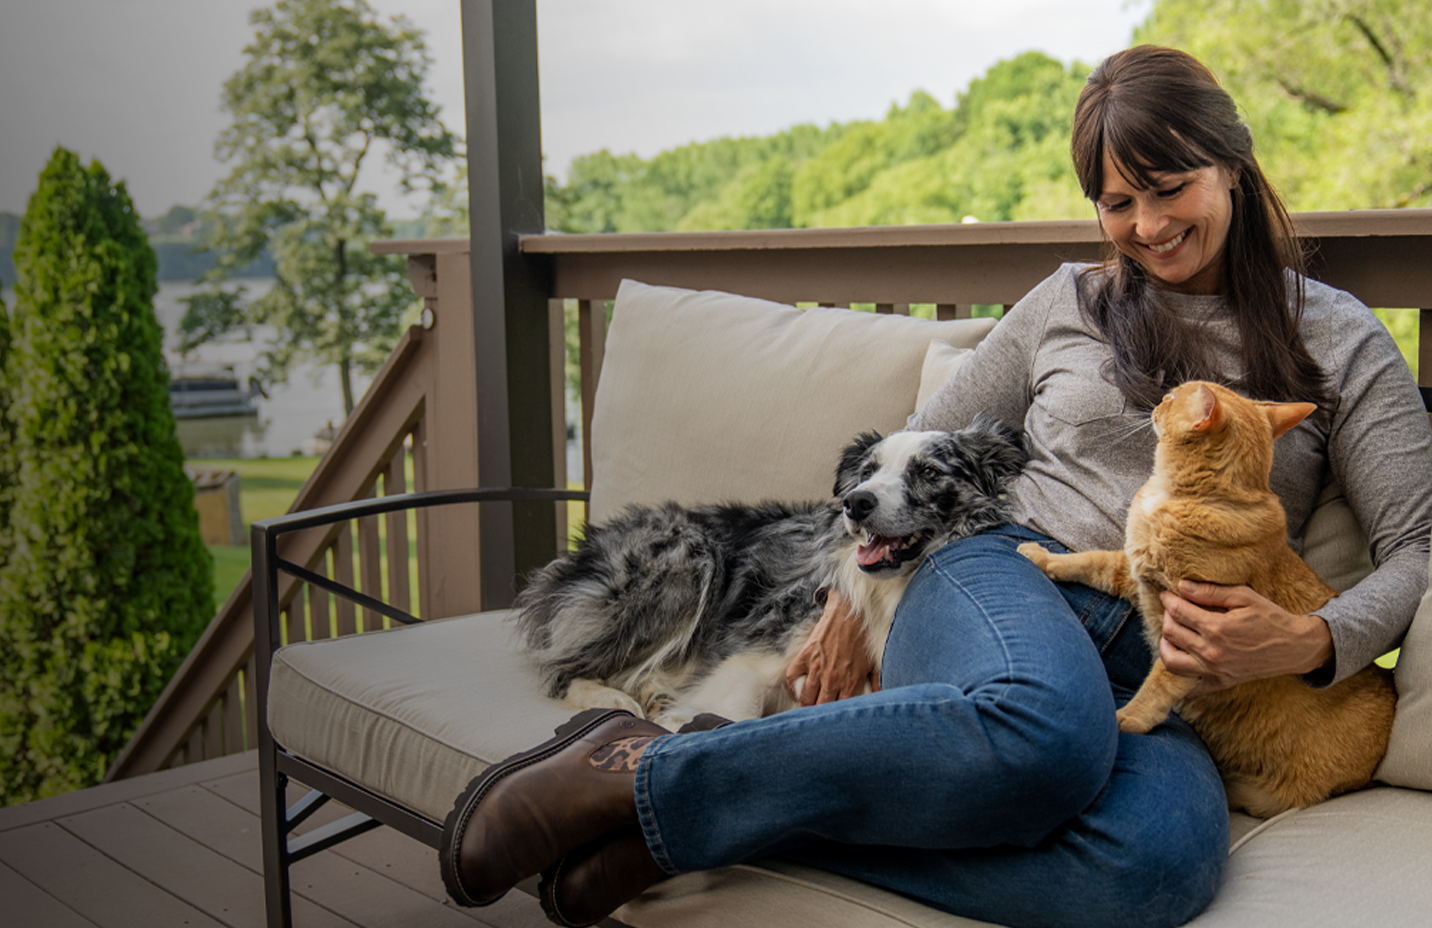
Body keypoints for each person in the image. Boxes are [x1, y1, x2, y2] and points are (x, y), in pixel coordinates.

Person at [438, 45, 1432, 928]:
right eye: (1116, 201)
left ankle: (684, 820)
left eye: (1167, 187)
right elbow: (918, 446)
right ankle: (637, 767)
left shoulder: (1339, 339)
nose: (1145, 225)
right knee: (1044, 735)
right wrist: (848, 591)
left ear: (1230, 162)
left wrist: (1312, 641)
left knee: (1152, 870)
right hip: (999, 582)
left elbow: (1417, 548)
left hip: (1161, 674)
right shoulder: (1067, 302)